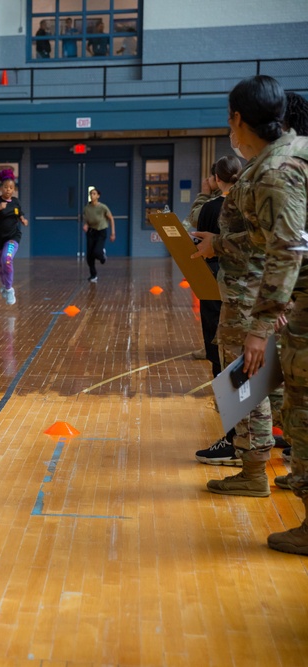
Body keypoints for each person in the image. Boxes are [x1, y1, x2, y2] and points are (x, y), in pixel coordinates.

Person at [192, 78, 308, 543]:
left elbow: (285, 247)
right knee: (285, 398)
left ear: (239, 118)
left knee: (255, 384)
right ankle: (271, 471)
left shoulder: (276, 170)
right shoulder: (294, 152)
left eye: (228, 118)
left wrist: (261, 326)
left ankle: (256, 468)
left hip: (259, 293)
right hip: (282, 296)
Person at [190, 156, 242, 466]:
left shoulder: (211, 207)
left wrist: (204, 192)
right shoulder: (251, 203)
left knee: (222, 355)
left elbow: (196, 224)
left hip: (220, 286)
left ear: (215, 178)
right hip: (251, 290)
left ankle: (236, 438)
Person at [0, 168, 28, 305]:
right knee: (1, 266)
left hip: (12, 237)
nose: (8, 190)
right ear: (1, 188)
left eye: (11, 188)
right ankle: (5, 285)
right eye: (5, 187)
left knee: (7, 259)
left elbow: (19, 213)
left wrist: (23, 219)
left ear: (13, 189)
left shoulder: (16, 202)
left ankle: (9, 289)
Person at [82, 187, 115, 283]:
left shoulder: (103, 207)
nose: (92, 195)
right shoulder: (87, 208)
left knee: (96, 252)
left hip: (101, 231)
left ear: (98, 196)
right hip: (91, 232)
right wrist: (86, 225)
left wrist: (113, 233)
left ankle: (102, 256)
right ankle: (93, 275)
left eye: (94, 194)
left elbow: (111, 219)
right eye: (91, 194)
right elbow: (88, 220)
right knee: (89, 256)